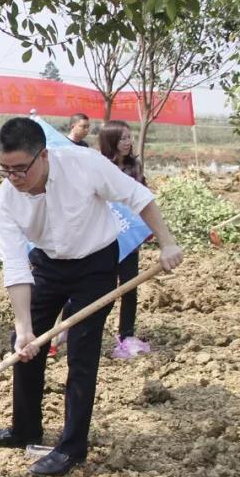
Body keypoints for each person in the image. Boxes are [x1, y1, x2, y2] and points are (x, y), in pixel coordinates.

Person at [0, 118, 183, 477]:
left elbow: (139, 197)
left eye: (21, 168)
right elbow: (14, 264)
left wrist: (167, 242)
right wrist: (24, 328)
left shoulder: (84, 165)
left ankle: (72, 447)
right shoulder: (5, 200)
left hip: (95, 264)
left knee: (82, 351)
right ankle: (25, 429)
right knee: (24, 346)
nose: (13, 178)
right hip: (46, 264)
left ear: (43, 155)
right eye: (5, 169)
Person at [97, 120, 151, 358]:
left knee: (129, 286)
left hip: (129, 236)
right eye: (123, 139)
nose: (128, 142)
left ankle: (126, 335)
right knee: (102, 288)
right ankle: (83, 329)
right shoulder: (100, 167)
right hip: (103, 238)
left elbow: (142, 196)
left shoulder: (134, 166)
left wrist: (146, 226)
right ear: (111, 141)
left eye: (129, 137)